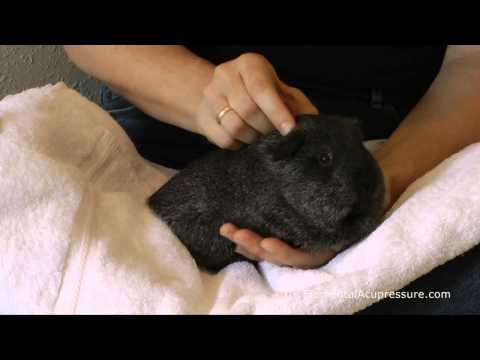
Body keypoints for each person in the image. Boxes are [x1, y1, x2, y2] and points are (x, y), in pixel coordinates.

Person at [65, 45, 480, 314]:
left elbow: (472, 63)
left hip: (409, 140)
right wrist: (211, 99)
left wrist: (382, 184)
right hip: (164, 130)